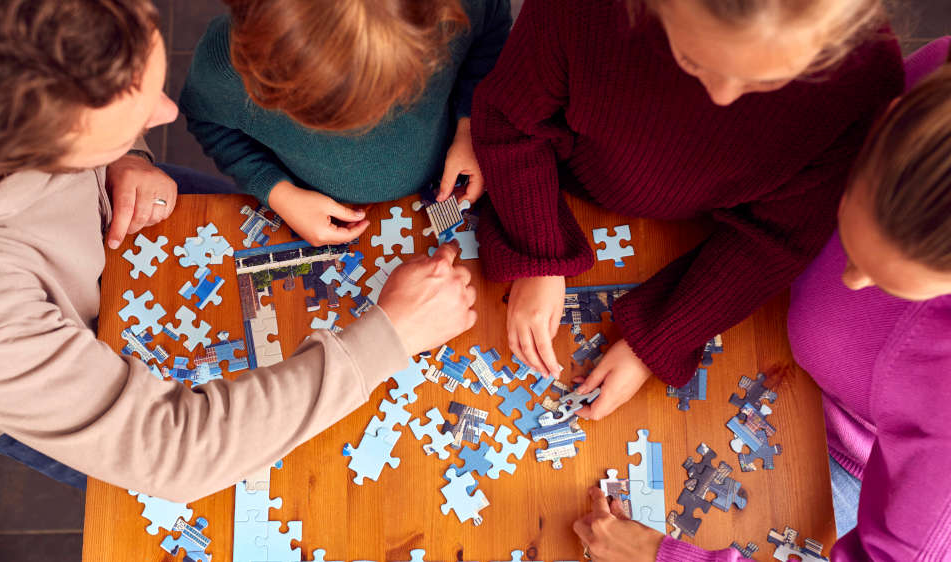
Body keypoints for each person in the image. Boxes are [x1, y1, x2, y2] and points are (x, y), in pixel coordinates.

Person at [0, 0, 476, 502]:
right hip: (36, 383)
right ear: (31, 151)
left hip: (123, 215)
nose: (167, 111)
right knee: (190, 498)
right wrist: (392, 335)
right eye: (130, 118)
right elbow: (173, 452)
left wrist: (124, 155)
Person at [572, 41, 951, 562]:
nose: (851, 280)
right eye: (851, 232)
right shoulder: (926, 90)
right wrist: (659, 333)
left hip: (842, 458)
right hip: (756, 305)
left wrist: (668, 559)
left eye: (892, 283)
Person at [470, 0, 905, 418]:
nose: (721, 95)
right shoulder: (585, 9)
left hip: (701, 237)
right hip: (561, 180)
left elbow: (777, 241)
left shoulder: (863, 77)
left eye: (765, 82)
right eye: (693, 60)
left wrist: (658, 339)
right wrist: (540, 256)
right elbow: (510, 119)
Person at [178, 0, 512, 247]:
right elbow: (210, 124)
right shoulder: (226, 68)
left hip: (449, 167)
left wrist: (470, 125)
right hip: (314, 203)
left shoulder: (458, 10)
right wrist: (279, 193)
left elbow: (491, 35)